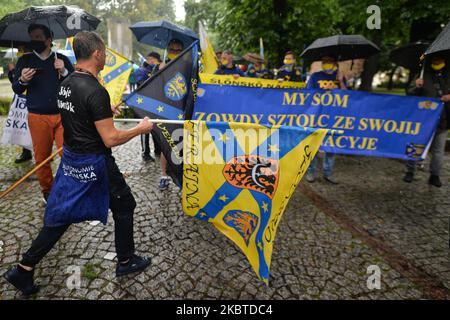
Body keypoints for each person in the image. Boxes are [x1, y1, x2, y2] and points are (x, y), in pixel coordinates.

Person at [3, 31, 154, 296]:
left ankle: (24, 267)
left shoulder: (68, 82)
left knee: (62, 215)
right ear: (97, 53)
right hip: (95, 161)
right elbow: (109, 138)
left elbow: (80, 113)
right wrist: (140, 129)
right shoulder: (94, 89)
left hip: (73, 159)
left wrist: (105, 112)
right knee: (124, 204)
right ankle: (126, 261)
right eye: (104, 51)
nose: (106, 55)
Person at [12, 24, 74, 203]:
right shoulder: (25, 60)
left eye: (39, 37)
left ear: (49, 39)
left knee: (68, 154)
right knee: (42, 158)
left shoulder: (61, 58)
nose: (35, 40)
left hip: (63, 116)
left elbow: (73, 83)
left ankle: (68, 187)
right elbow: (16, 88)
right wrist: (23, 80)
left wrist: (64, 71)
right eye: (32, 37)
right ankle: (48, 191)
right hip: (37, 117)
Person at [403, 55, 450, 187]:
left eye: (440, 58)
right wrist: (416, 86)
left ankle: (434, 176)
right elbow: (409, 93)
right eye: (435, 58)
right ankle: (410, 172)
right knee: (415, 145)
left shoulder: (448, 75)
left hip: (443, 119)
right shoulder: (422, 74)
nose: (437, 61)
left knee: (438, 150)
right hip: (422, 119)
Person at [305, 55, 347, 185]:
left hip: (334, 116)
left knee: (331, 145)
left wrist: (341, 81)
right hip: (317, 115)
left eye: (329, 62)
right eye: (324, 62)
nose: (326, 64)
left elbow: (347, 95)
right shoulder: (315, 76)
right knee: (314, 144)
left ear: (334, 63)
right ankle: (311, 172)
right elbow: (307, 93)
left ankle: (328, 173)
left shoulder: (340, 76)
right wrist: (322, 91)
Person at [133, 51, 162, 162]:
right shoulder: (141, 71)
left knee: (156, 127)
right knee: (144, 130)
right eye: (155, 61)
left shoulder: (158, 70)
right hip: (143, 105)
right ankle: (145, 153)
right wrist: (156, 73)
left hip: (154, 104)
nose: (156, 63)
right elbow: (142, 84)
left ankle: (158, 149)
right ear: (150, 59)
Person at [7, 59, 32, 163]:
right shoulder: (21, 62)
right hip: (21, 100)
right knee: (24, 127)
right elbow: (14, 83)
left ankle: (44, 153)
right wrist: (12, 71)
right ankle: (26, 152)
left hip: (32, 100)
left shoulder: (32, 60)